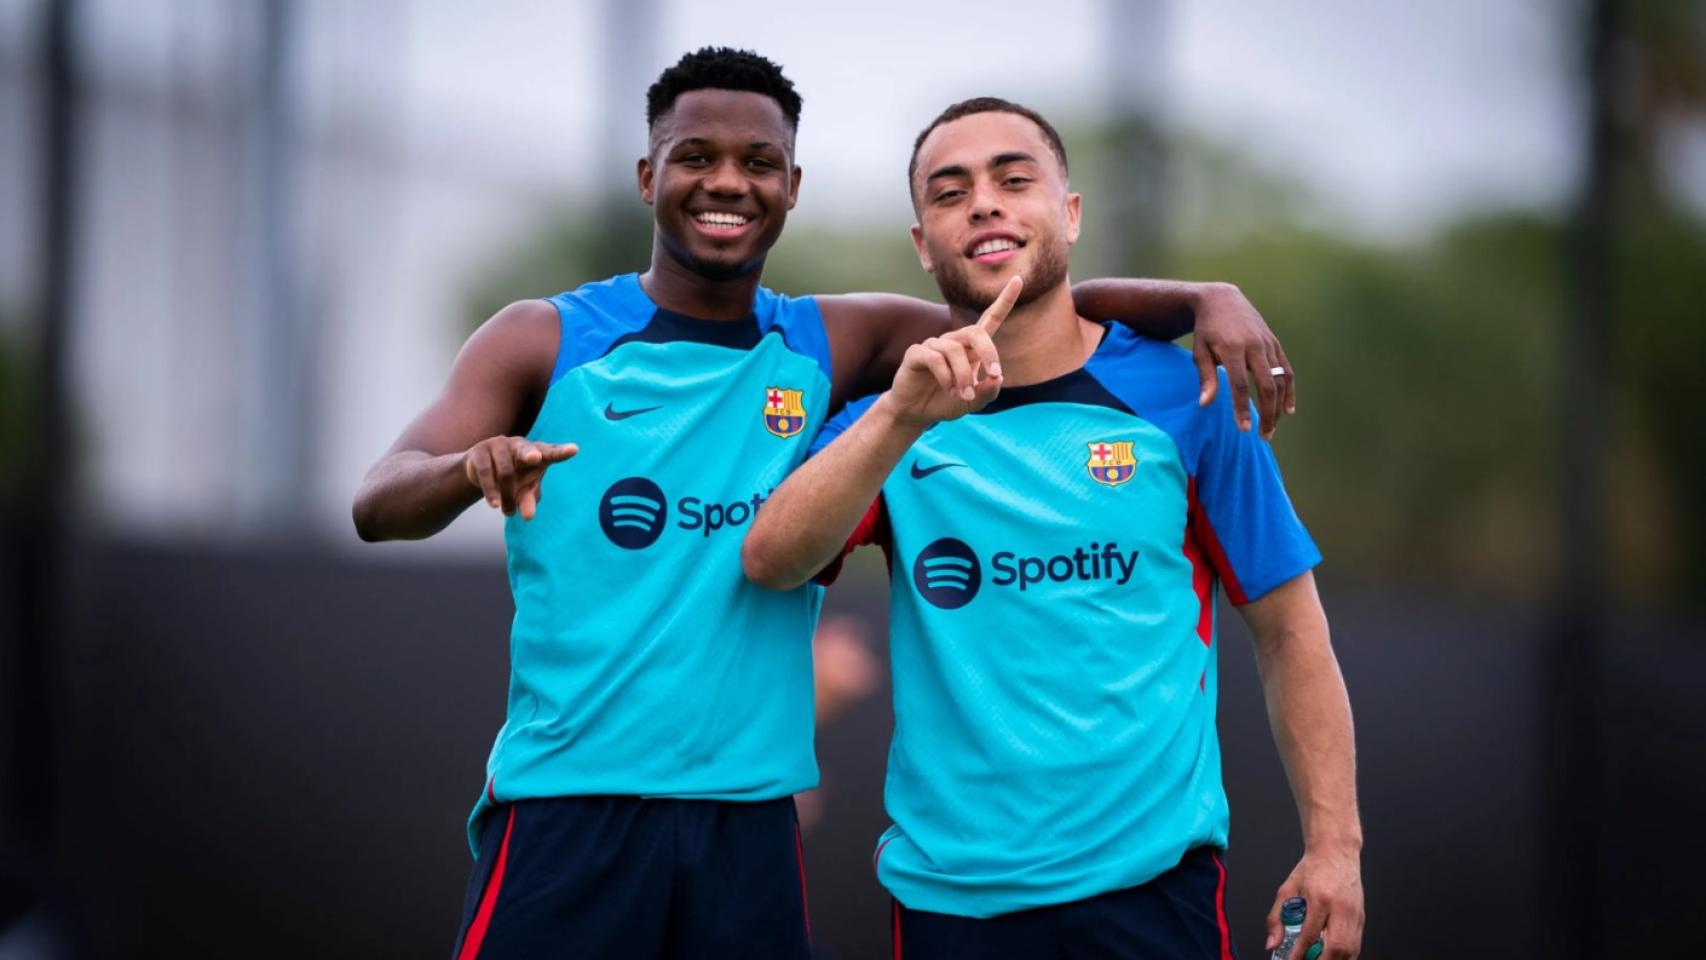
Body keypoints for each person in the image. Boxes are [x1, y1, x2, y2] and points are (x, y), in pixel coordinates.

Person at [353, 46, 1299, 959]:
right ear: (649, 177)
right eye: (696, 157)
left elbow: (1028, 302)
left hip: (750, 822)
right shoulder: (545, 338)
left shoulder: (834, 343)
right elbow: (377, 501)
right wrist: (466, 467)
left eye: (758, 162)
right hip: (568, 805)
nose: (728, 182)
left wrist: (1200, 300)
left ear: (792, 187)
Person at [743, 97, 1364, 959]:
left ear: (1069, 214)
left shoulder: (1189, 396)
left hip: (1152, 895)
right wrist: (898, 418)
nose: (984, 205)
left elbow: (1291, 630)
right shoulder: (895, 417)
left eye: (1013, 180)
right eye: (950, 193)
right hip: (951, 904)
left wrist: (1336, 849)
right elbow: (770, 559)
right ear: (923, 243)